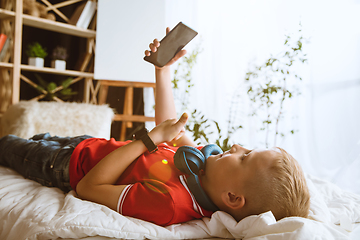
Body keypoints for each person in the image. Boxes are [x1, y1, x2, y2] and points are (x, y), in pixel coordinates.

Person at [0, 27, 310, 227]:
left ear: (232, 198)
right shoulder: (200, 166)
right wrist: (162, 72)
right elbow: (170, 125)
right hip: (90, 145)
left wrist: (147, 140)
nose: (239, 147)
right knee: (37, 136)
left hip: (67, 167)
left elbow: (88, 189)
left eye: (245, 158)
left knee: (7, 145)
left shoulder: (169, 203)